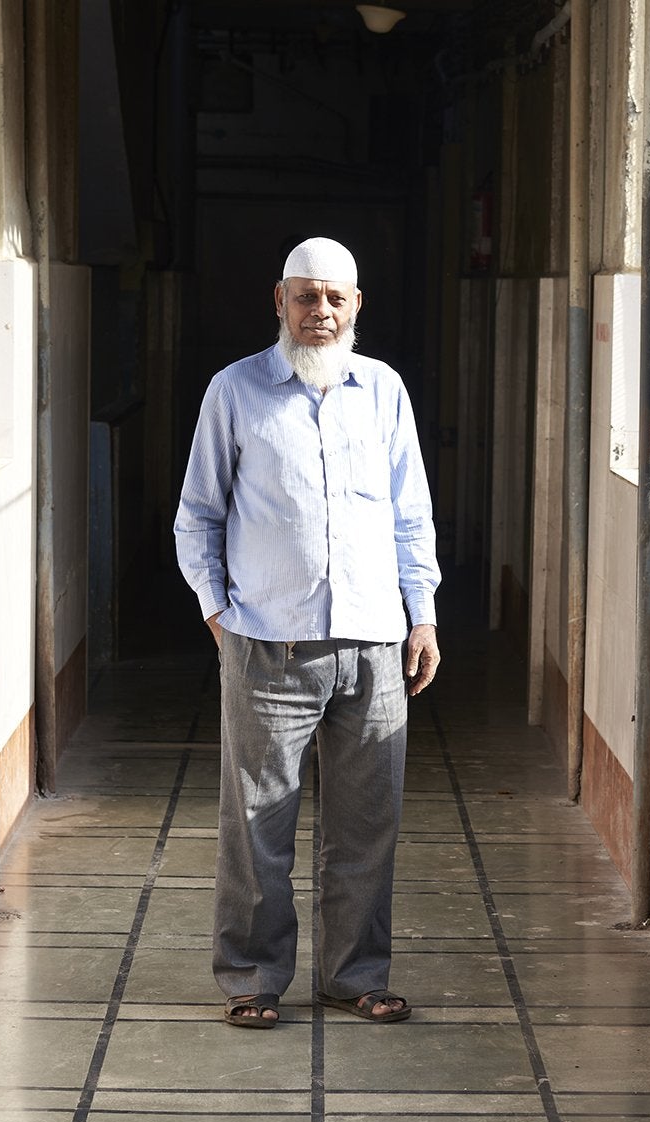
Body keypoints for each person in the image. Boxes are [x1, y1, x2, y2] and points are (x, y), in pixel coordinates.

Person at [175, 236, 441, 1028]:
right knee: (257, 826)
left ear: (357, 306)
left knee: (367, 827)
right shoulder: (235, 391)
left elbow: (410, 513)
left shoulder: (384, 392)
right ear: (279, 302)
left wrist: (421, 614)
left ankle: (355, 974)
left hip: (373, 647)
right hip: (268, 645)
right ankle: (253, 978)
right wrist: (217, 609)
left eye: (334, 299)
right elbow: (199, 514)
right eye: (304, 297)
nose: (319, 312)